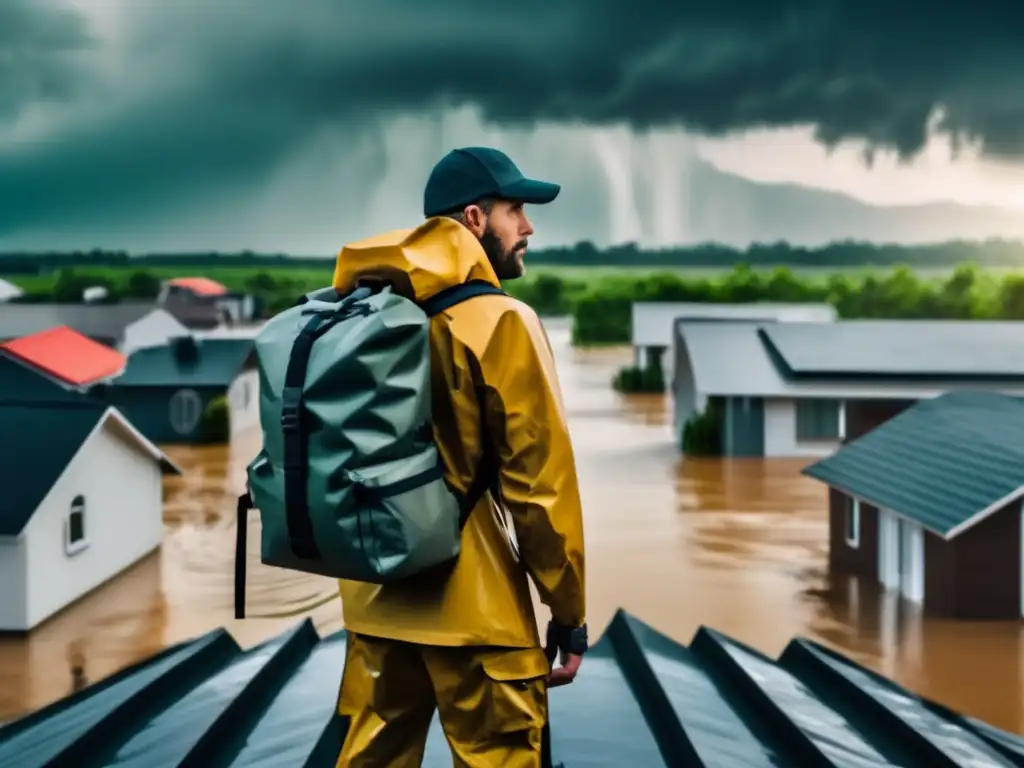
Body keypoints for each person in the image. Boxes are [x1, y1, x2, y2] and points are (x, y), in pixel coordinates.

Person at [332, 147, 588, 768]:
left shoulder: (359, 315)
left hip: (375, 612)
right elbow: (540, 492)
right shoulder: (501, 321)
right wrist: (568, 614)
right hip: (478, 622)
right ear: (474, 219)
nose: (527, 228)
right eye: (516, 210)